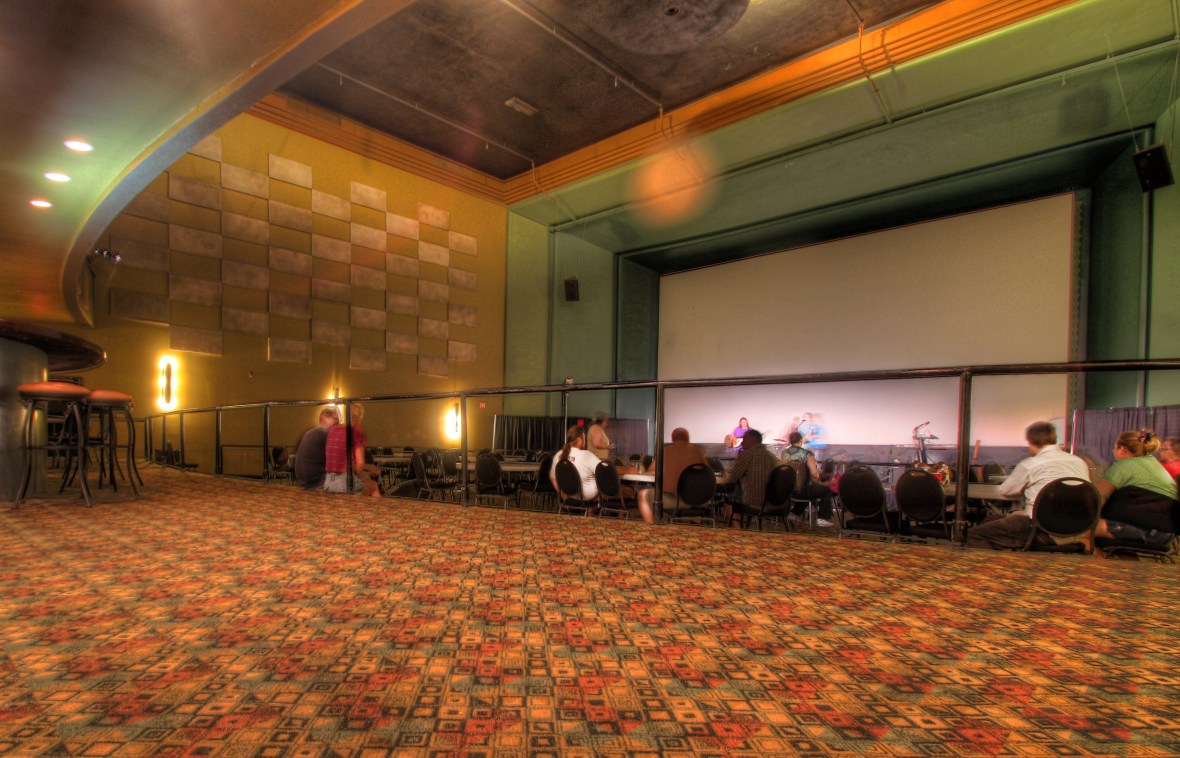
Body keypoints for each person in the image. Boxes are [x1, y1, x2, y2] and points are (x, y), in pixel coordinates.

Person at [966, 421, 1090, 550]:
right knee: (991, 521)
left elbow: (1005, 490)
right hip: (1078, 528)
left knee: (973, 535)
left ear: (1031, 442)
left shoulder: (1031, 464)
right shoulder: (1079, 462)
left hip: (1041, 529)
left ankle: (996, 562)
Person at [1090, 430, 1178, 551]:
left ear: (1122, 449)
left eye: (1114, 447)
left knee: (1084, 528)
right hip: (1167, 535)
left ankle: (1092, 559)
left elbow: (1097, 497)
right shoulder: (1156, 465)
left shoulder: (1124, 465)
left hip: (1141, 530)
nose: (1113, 451)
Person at [650, 427, 709, 521]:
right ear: (688, 438)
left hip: (675, 500)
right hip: (700, 500)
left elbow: (651, 470)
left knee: (643, 495)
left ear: (673, 438)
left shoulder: (665, 451)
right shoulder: (698, 452)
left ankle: (655, 525)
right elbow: (708, 473)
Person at [324, 402, 381, 497]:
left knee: (364, 484)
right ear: (360, 417)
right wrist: (363, 476)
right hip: (344, 483)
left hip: (328, 482)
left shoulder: (333, 430)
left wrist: (367, 469)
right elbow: (359, 465)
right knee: (373, 485)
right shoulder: (356, 431)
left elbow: (345, 462)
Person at [781, 431, 835, 526]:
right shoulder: (807, 454)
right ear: (800, 440)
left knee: (808, 491)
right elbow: (814, 474)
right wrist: (818, 482)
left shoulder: (784, 454)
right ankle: (823, 518)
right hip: (803, 489)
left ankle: (794, 513)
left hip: (788, 489)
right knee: (825, 491)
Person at [725, 428, 777, 521]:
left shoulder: (746, 455)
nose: (741, 443)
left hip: (751, 502)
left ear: (753, 440)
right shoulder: (772, 457)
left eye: (744, 440)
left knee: (728, 496)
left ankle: (736, 527)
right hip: (771, 503)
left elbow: (732, 477)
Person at [294, 406, 339, 490]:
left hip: (303, 481)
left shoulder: (309, 433)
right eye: (336, 420)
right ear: (331, 419)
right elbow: (338, 461)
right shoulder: (325, 435)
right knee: (356, 484)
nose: (337, 423)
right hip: (317, 482)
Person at [550, 425, 600, 502]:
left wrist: (563, 495)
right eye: (584, 438)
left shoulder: (558, 455)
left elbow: (553, 478)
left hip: (568, 496)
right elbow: (604, 472)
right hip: (587, 498)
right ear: (579, 440)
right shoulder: (587, 455)